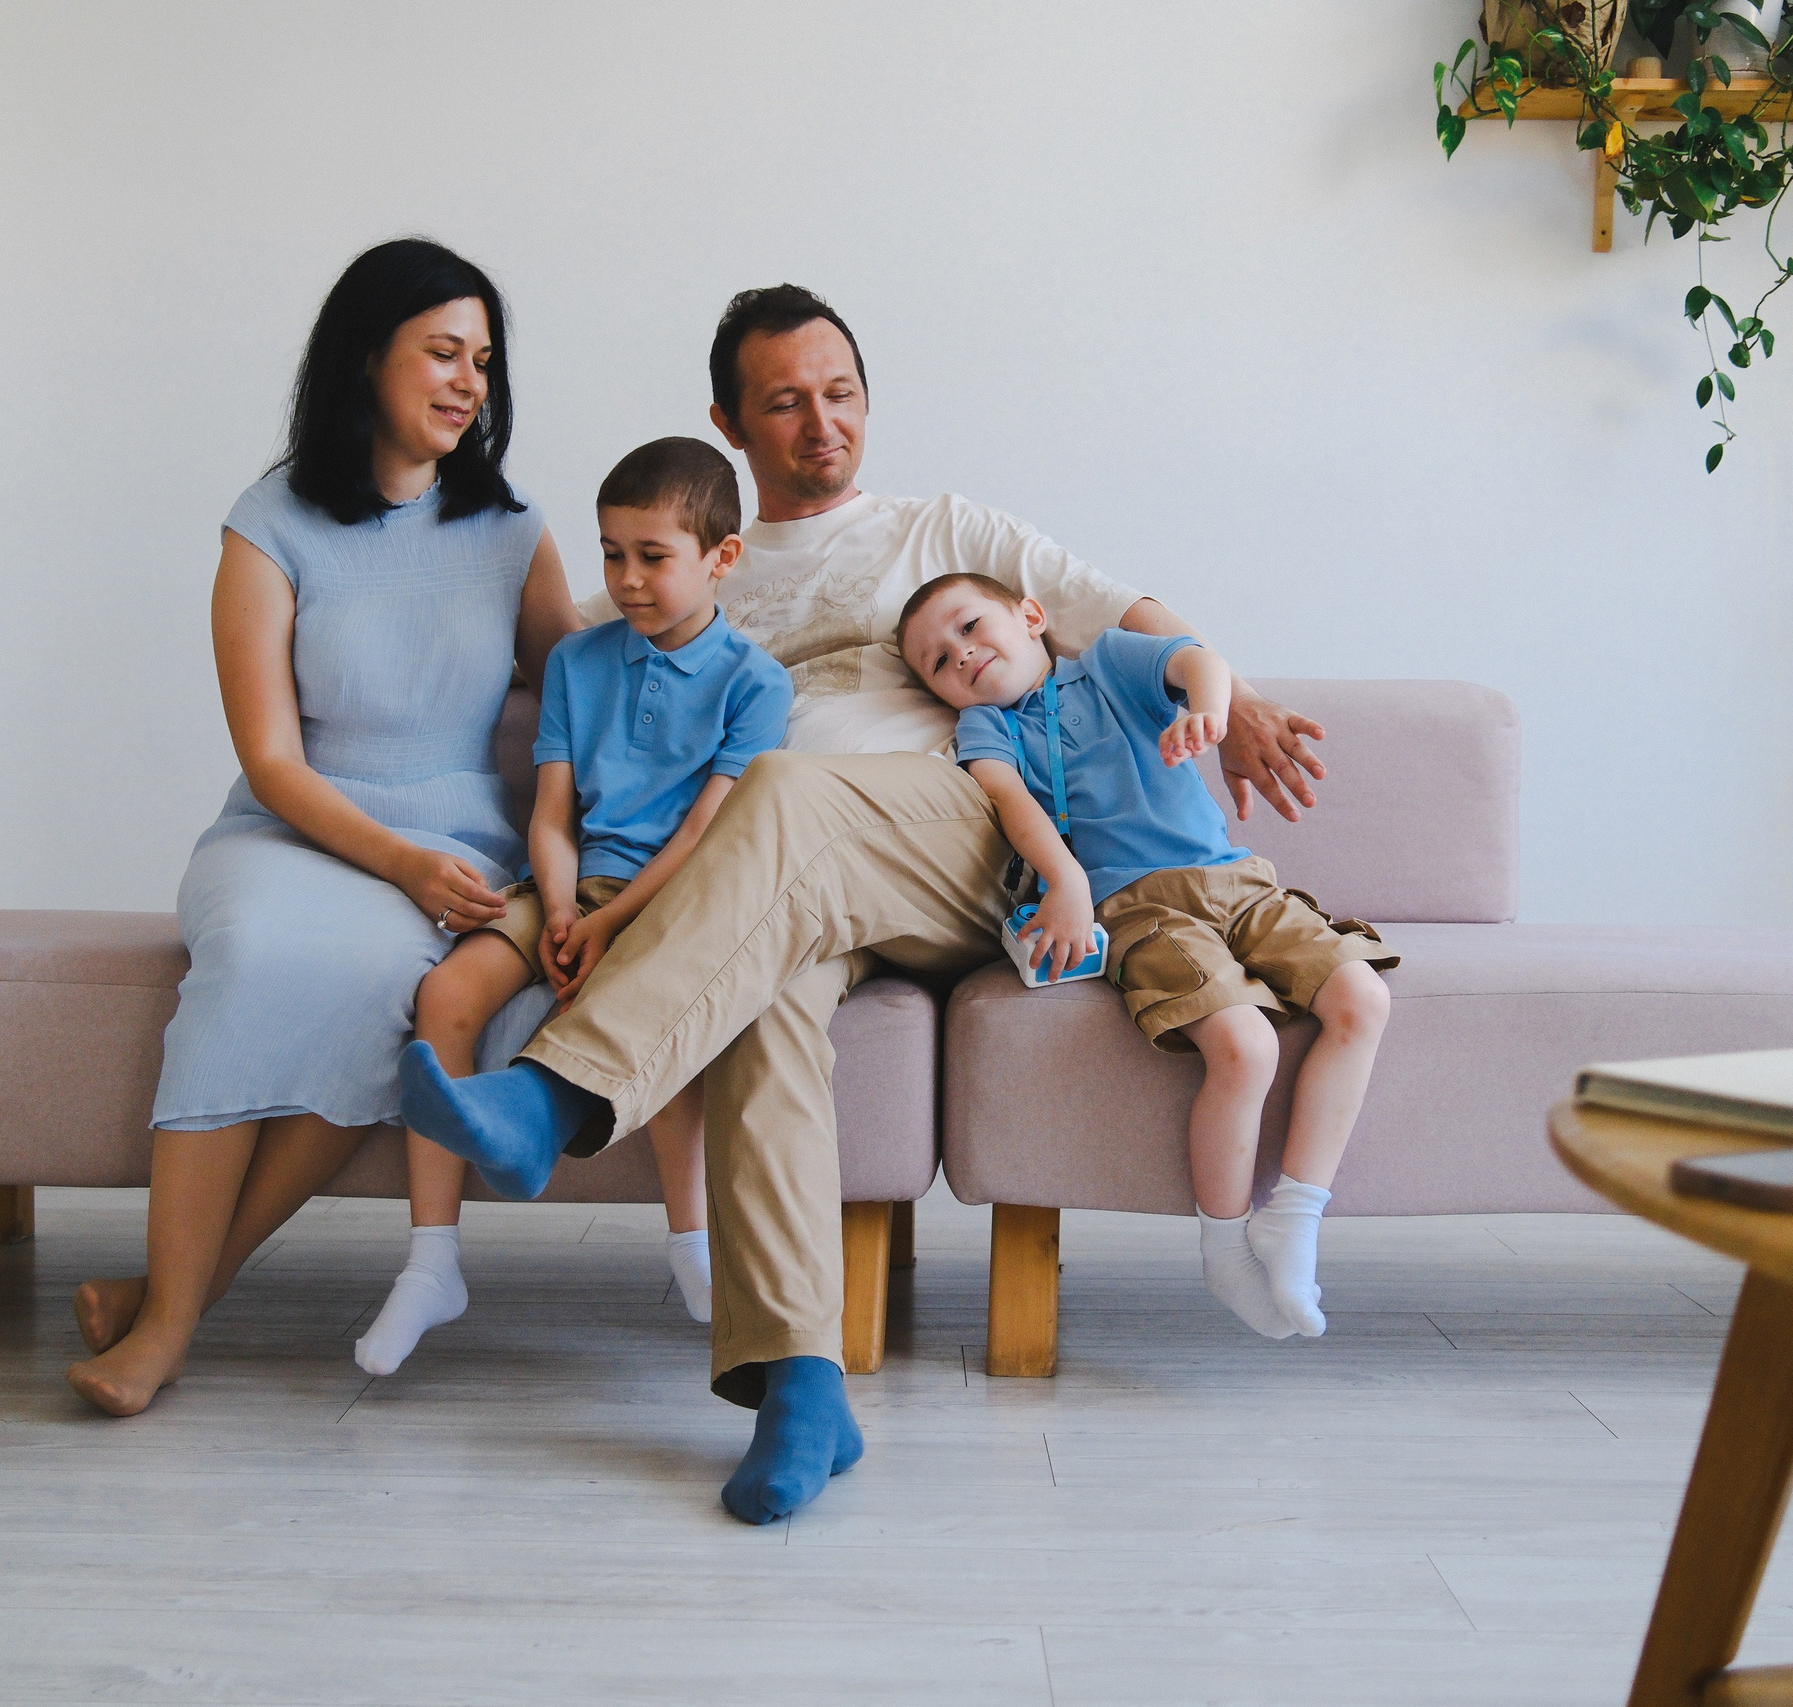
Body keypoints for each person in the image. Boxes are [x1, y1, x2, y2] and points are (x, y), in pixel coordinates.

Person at [397, 283, 1336, 1524]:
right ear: (730, 422)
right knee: (764, 996)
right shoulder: (695, 558)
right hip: (783, 885)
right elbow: (540, 655)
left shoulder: (943, 527)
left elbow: (1123, 614)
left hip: (960, 835)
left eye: (839, 394)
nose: (821, 423)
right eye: (785, 402)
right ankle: (802, 1386)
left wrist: (1240, 698)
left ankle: (556, 1096)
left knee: (781, 787)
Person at [66, 239, 581, 1417]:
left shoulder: (512, 531)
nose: (469, 383)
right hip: (291, 836)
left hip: (460, 850)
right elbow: (271, 760)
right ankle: (168, 1314)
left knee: (380, 988)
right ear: (364, 357)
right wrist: (401, 862)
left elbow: (586, 701)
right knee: (257, 955)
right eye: (442, 353)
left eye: (483, 362)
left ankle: (166, 1314)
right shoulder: (268, 524)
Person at [361, 437, 789, 1374]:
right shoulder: (576, 662)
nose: (626, 580)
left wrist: (606, 924)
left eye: (653, 557)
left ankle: (692, 1247)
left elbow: (703, 836)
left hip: (673, 900)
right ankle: (431, 1261)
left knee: (652, 1021)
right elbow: (552, 813)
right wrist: (560, 909)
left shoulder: (757, 683)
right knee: (446, 995)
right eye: (611, 553)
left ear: (722, 556)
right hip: (567, 886)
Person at [898, 572, 1396, 1338]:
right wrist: (1067, 880)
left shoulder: (1107, 662)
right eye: (938, 660)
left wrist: (1209, 712)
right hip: (1137, 909)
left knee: (1362, 997)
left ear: (1030, 616)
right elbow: (1009, 800)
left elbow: (1197, 660)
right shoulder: (986, 728)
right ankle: (1224, 1245)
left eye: (968, 626)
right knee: (1245, 1045)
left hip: (1240, 881)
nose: (960, 654)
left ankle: (1295, 1215)